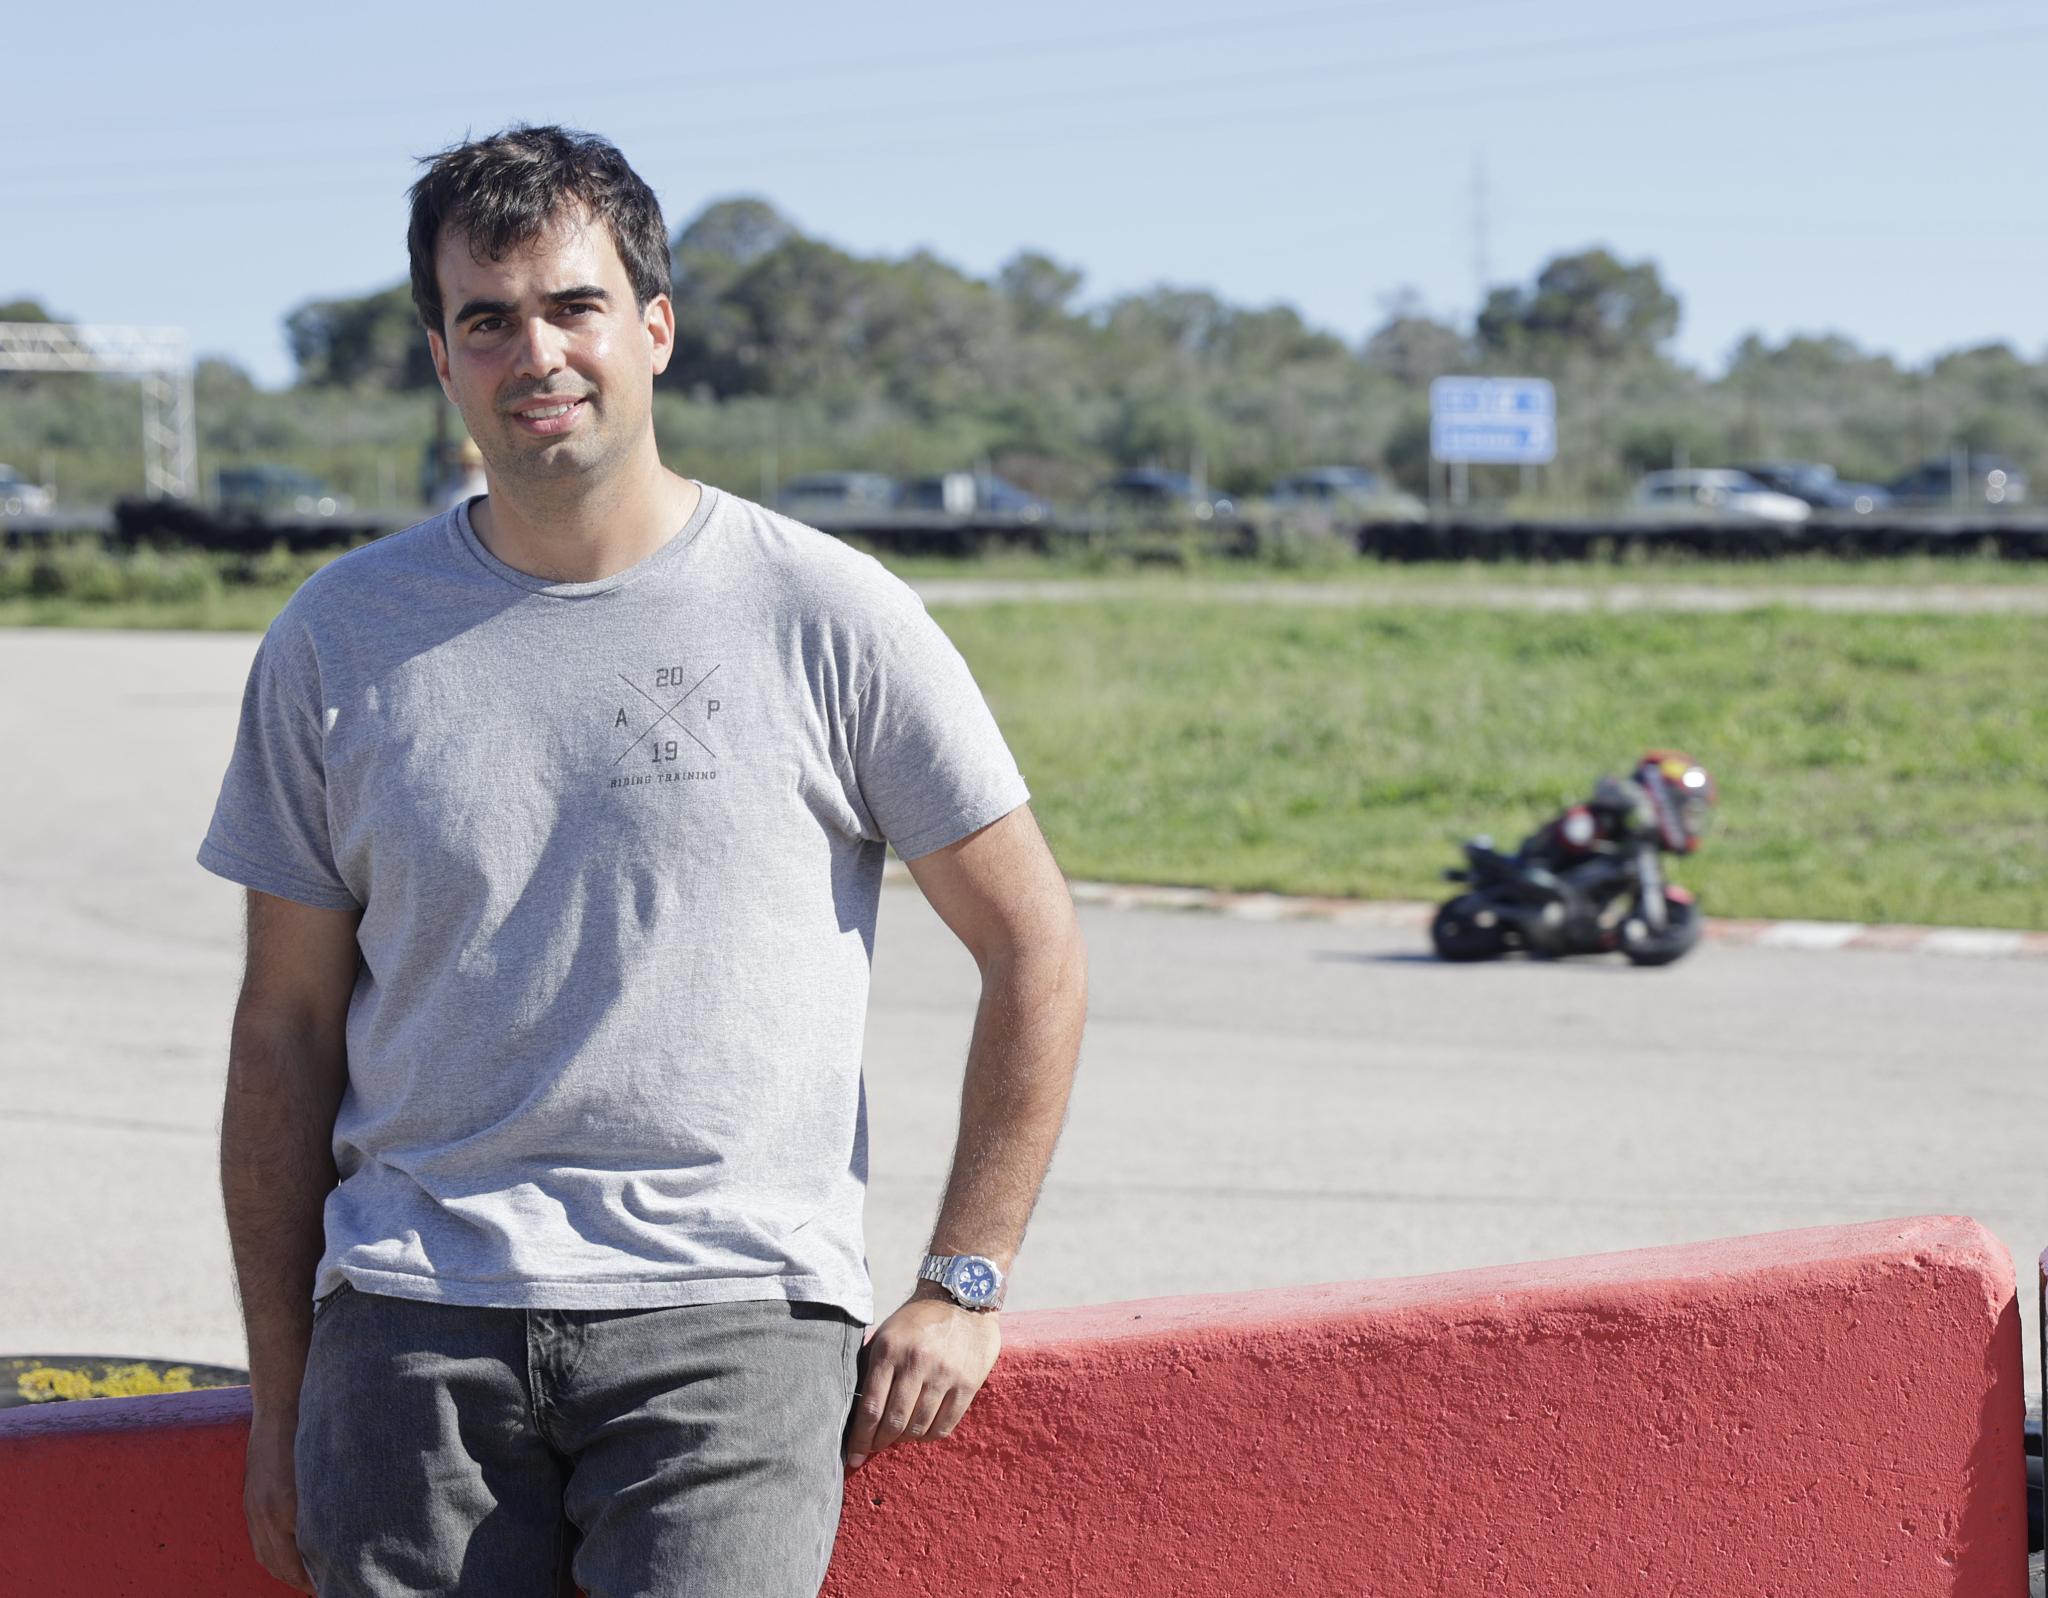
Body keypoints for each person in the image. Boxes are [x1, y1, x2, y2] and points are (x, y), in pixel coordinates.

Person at [202, 124, 1087, 1598]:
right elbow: (282, 1032)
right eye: (486, 318)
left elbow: (1034, 943)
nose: (534, 350)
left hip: (729, 1326)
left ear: (655, 328)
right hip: (414, 1328)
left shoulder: (826, 613)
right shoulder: (335, 639)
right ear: (441, 358)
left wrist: (965, 1277)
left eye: (573, 304)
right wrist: (286, 1389)